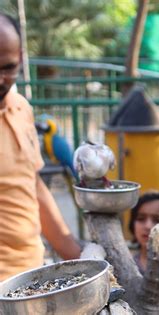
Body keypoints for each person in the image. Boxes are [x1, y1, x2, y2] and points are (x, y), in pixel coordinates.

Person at [0, 13, 80, 281]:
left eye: (8, 68)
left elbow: (31, 185)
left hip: (31, 276)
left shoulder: (22, 108)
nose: (0, 80)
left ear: (21, 57)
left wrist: (77, 257)